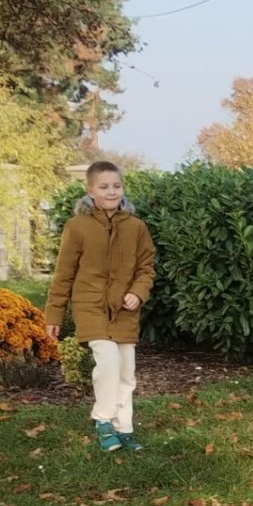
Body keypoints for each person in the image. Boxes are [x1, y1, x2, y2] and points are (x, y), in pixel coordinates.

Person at [45, 161, 155, 452]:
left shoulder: (136, 227)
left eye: (116, 186)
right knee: (107, 362)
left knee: (126, 371)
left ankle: (124, 427)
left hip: (124, 310)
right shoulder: (77, 227)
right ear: (91, 191)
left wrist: (138, 293)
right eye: (104, 187)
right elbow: (64, 273)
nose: (111, 192)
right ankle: (103, 419)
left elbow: (146, 269)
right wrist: (54, 314)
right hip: (90, 306)